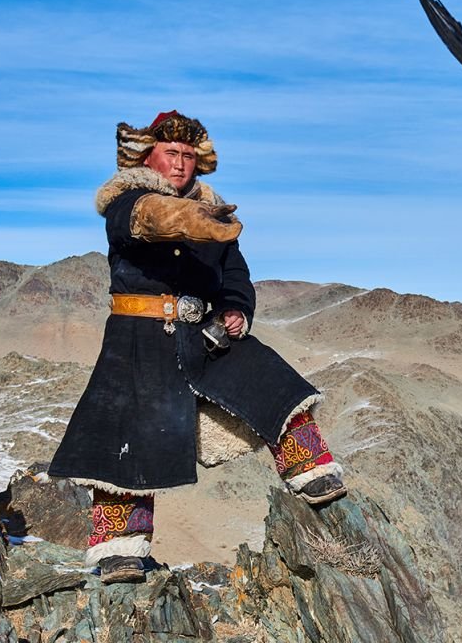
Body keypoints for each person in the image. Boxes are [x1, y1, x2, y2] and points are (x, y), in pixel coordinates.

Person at [48, 111, 346, 584]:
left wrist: (235, 310)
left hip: (203, 333)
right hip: (136, 340)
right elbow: (145, 221)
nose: (181, 164)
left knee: (274, 382)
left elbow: (235, 274)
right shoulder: (127, 202)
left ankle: (310, 471)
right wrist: (189, 216)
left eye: (188, 156)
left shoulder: (216, 210)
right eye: (171, 154)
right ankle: (119, 550)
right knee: (126, 441)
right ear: (149, 156)